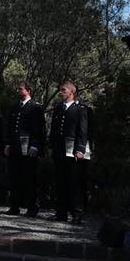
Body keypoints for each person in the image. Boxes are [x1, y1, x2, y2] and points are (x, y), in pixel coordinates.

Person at [4, 81, 46, 217]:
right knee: (14, 177)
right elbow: (10, 128)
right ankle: (14, 206)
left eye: (21, 89)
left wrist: (35, 145)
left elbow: (39, 129)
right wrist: (8, 144)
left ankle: (32, 208)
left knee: (30, 178)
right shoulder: (14, 107)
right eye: (18, 89)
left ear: (28, 91)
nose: (18, 91)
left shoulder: (35, 108)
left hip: (29, 147)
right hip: (16, 147)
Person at [49, 81, 88, 224]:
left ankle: (77, 214)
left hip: (73, 151)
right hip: (59, 151)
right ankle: (61, 213)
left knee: (74, 183)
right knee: (60, 182)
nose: (61, 92)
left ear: (71, 92)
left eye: (63, 90)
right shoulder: (58, 108)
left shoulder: (80, 110)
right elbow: (54, 129)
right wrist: (52, 146)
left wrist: (80, 149)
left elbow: (83, 131)